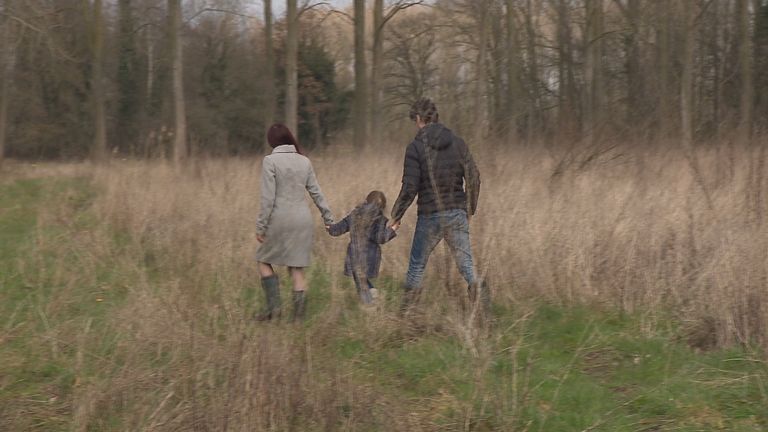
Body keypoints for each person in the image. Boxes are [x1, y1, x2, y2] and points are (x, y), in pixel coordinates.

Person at [390, 97, 487, 314]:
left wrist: (397, 214)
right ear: (436, 117)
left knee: (416, 265)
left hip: (429, 215)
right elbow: (474, 178)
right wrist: (469, 208)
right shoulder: (458, 143)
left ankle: (406, 317)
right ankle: (484, 315)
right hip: (456, 212)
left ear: (418, 119)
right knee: (467, 268)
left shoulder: (415, 148)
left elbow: (410, 187)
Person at [254, 124, 335, 322]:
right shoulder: (304, 161)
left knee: (263, 261)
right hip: (302, 221)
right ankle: (298, 319)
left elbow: (267, 199)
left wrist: (261, 226)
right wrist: (328, 218)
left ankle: (274, 310)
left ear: (272, 141)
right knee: (296, 268)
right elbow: (317, 192)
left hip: (279, 220)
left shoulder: (270, 161)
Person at [327, 191, 400, 304]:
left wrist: (330, 228)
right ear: (383, 207)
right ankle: (372, 292)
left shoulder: (355, 214)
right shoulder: (379, 219)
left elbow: (339, 229)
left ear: (366, 201)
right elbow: (381, 238)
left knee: (360, 282)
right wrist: (392, 229)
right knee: (362, 280)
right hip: (371, 258)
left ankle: (369, 303)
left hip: (354, 255)